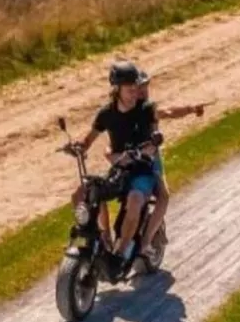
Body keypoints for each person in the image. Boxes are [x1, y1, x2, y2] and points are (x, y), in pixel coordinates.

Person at [68, 61, 180, 277]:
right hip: (119, 171)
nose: (135, 92)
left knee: (136, 200)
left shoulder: (146, 109)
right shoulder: (106, 114)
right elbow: (88, 140)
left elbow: (154, 140)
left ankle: (120, 253)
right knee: (83, 193)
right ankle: (103, 240)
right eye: (130, 89)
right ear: (116, 89)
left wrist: (147, 149)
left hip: (142, 171)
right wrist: (78, 147)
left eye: (136, 88)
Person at [133, 73, 203, 252]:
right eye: (140, 88)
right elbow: (169, 112)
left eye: (145, 87)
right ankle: (146, 241)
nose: (143, 91)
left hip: (133, 159)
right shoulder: (146, 110)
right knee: (163, 196)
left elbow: (170, 112)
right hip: (147, 161)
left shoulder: (130, 109)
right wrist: (192, 109)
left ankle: (146, 234)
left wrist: (190, 109)